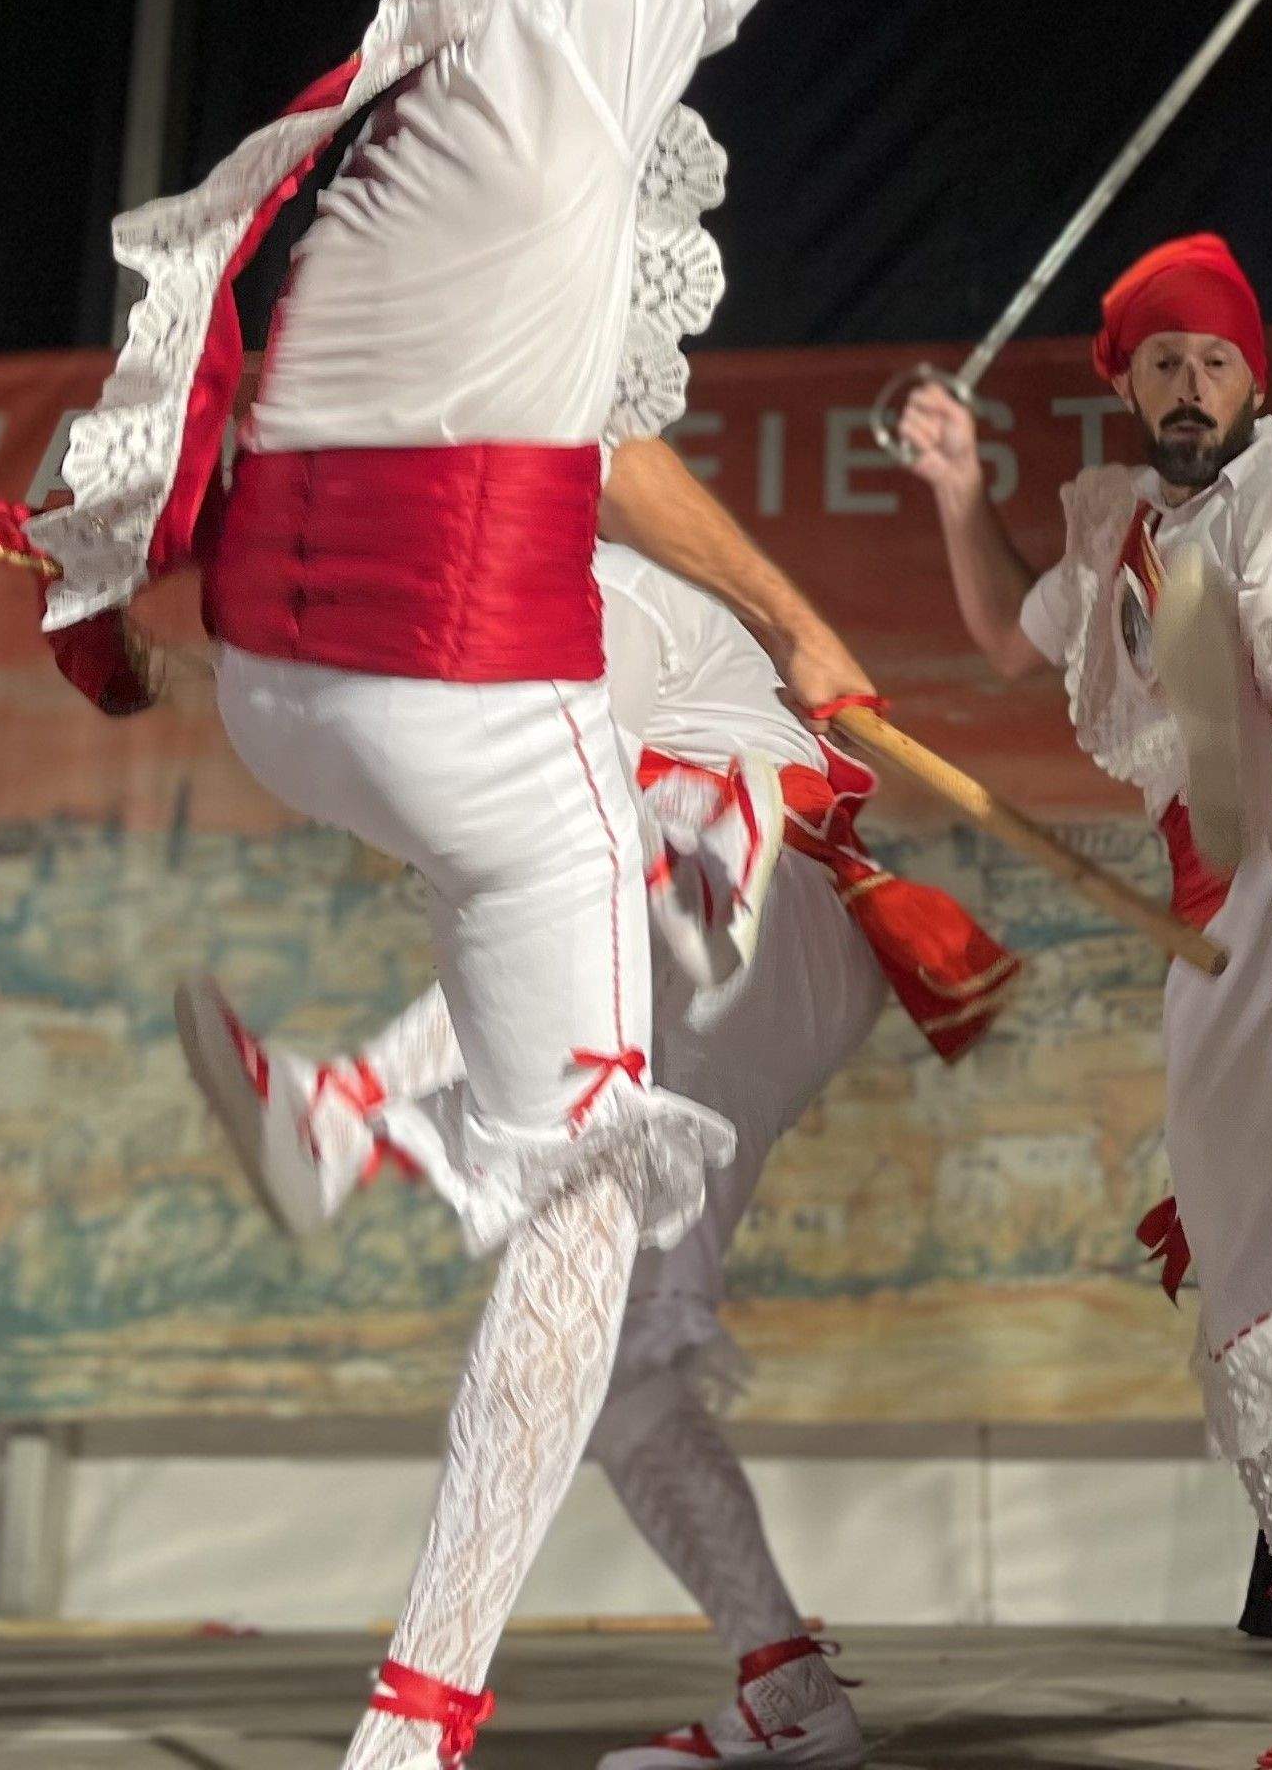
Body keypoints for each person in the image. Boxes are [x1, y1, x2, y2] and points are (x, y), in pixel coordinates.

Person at [2, 0, 874, 1770]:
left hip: (289, 686)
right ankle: (415, 1717)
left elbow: (590, 444)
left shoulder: (403, 81)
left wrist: (777, 623)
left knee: (629, 1292)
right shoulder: (585, 21)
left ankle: (776, 1672)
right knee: (588, 1207)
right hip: (496, 716)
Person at [179, 544, 1019, 1768]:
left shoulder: (585, 591)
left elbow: (551, 834)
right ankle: (788, 1692)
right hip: (726, 958)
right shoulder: (499, 622)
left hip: (766, 919)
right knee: (621, 1377)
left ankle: (345, 1113)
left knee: (565, 883)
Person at [899, 234, 1272, 1770]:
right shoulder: (1118, 526)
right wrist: (960, 492)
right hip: (1223, 915)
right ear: (1131, 386)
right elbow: (1005, 629)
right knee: (1240, 1267)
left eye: (1214, 359)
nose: (1192, 384)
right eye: (1164, 362)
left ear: (1251, 377)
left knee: (1257, 1268)